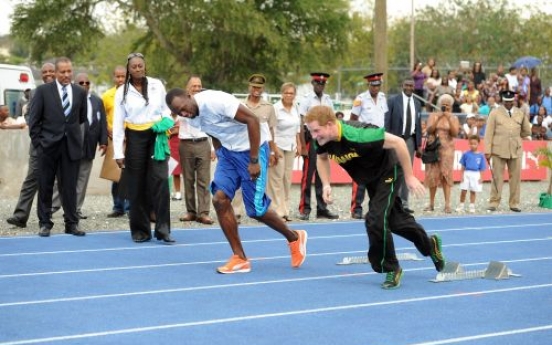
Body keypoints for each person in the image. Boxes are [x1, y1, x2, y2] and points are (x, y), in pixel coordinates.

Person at [165, 87, 308, 273]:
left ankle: (294, 237)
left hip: (253, 150)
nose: (184, 113)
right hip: (228, 154)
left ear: (189, 96)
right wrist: (220, 152)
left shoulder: (216, 101)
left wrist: (254, 160)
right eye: (179, 112)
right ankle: (240, 258)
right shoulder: (189, 117)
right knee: (219, 199)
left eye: (184, 107)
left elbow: (252, 120)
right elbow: (213, 131)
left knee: (255, 210)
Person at [304, 105, 445, 289]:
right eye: (311, 132)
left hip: (389, 170)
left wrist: (410, 176)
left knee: (375, 219)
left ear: (330, 124)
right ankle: (430, 245)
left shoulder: (360, 134)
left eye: (316, 131)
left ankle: (391, 268)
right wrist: (326, 184)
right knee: (395, 222)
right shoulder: (323, 140)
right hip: (371, 179)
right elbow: (322, 159)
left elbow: (399, 143)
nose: (314, 136)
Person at [113, 52, 174, 243]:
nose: (138, 69)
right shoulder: (121, 91)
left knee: (161, 181)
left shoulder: (157, 85)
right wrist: (118, 151)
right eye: (134, 66)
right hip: (135, 137)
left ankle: (163, 230)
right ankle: (140, 230)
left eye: (140, 65)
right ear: (129, 70)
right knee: (136, 185)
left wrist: (166, 121)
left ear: (145, 66)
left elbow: (166, 109)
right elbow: (117, 123)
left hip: (156, 136)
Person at [28, 57, 87, 237]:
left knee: (69, 187)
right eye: (63, 72)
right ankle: (45, 223)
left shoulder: (79, 92)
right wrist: (40, 144)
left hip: (71, 147)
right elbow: (34, 121)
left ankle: (71, 223)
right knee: (45, 185)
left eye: (69, 71)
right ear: (55, 73)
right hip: (48, 147)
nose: (67, 75)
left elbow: (81, 118)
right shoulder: (43, 91)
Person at [51, 73, 108, 219]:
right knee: (63, 178)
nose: (84, 85)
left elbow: (102, 122)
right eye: (80, 83)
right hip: (69, 146)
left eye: (87, 83)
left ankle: (75, 210)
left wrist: (103, 141)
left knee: (82, 178)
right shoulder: (69, 99)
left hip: (89, 146)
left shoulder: (97, 100)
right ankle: (52, 207)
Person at [6, 63, 55, 229]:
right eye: (45, 72)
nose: (48, 74)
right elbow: (29, 117)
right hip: (39, 146)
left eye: (51, 71)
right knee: (31, 181)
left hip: (59, 146)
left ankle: (61, 213)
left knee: (63, 182)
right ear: (41, 75)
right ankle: (20, 216)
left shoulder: (65, 92)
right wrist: (39, 139)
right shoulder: (34, 93)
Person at [232, 73, 279, 222]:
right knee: (240, 179)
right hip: (242, 147)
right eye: (254, 87)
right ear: (249, 87)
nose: (256, 90)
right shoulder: (240, 105)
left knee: (260, 179)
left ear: (263, 88)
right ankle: (236, 211)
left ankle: (258, 209)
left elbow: (271, 130)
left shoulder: (268, 107)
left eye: (259, 87)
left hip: (261, 148)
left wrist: (272, 150)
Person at [297, 72, 338, 221]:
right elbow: (301, 124)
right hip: (311, 139)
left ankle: (322, 209)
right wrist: (302, 145)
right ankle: (305, 208)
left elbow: (332, 120)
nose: (320, 86)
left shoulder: (328, 100)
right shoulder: (307, 99)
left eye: (322, 84)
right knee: (308, 176)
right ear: (313, 84)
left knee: (322, 175)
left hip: (325, 140)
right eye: (317, 83)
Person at [484, 90, 532, 212]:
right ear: (502, 101)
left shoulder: (520, 113)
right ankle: (494, 202)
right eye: (506, 102)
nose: (509, 104)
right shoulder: (494, 113)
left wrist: (515, 136)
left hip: (515, 150)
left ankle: (514, 203)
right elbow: (488, 133)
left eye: (511, 102)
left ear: (514, 101)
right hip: (498, 150)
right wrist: (487, 151)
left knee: (515, 178)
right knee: (497, 178)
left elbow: (527, 131)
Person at [348, 73, 388, 219]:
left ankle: (373, 208)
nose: (376, 88)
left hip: (379, 139)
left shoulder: (383, 98)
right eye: (373, 85)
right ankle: (356, 208)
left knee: (377, 175)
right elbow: (353, 119)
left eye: (378, 85)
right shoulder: (360, 99)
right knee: (360, 174)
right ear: (368, 85)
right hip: (364, 139)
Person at [177, 75, 215, 225]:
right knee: (188, 180)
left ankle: (204, 213)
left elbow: (212, 126)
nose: (197, 88)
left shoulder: (207, 104)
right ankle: (191, 212)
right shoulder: (180, 102)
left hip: (203, 143)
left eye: (199, 86)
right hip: (185, 144)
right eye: (194, 86)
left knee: (204, 180)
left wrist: (213, 147)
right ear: (188, 88)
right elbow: (173, 119)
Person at [384, 78, 422, 214]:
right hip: (395, 139)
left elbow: (418, 125)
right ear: (402, 86)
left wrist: (418, 145)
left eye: (411, 85)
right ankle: (393, 201)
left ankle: (404, 203)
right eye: (407, 85)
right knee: (394, 170)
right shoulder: (393, 101)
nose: (409, 87)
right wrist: (386, 140)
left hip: (410, 140)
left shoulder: (417, 103)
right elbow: (387, 121)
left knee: (408, 171)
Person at [267, 82, 301, 222]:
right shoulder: (275, 108)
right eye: (286, 92)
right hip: (278, 144)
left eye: (291, 93)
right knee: (276, 178)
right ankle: (275, 210)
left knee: (287, 179)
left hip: (291, 145)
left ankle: (285, 210)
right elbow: (271, 129)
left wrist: (299, 144)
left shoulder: (296, 108)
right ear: (281, 94)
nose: (288, 95)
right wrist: (273, 149)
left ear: (294, 95)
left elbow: (297, 128)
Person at [424, 94, 460, 213]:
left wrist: (448, 117)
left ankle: (447, 204)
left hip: (447, 149)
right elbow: (429, 130)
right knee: (433, 175)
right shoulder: (433, 115)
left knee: (446, 175)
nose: (445, 107)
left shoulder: (453, 117)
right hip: (434, 148)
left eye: (447, 105)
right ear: (439, 105)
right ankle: (431, 203)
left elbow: (455, 133)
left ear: (451, 106)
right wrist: (438, 117)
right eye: (443, 105)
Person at [101, 65, 130, 218]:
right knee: (116, 176)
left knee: (131, 174)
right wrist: (107, 129)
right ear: (113, 77)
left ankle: (130, 207)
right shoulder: (107, 96)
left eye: (122, 76)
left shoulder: (133, 94)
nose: (120, 79)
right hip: (115, 140)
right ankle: (118, 207)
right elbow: (101, 116)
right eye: (117, 76)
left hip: (132, 139)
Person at [456, 135, 487, 213]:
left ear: (478, 144)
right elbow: (463, 166)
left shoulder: (481, 155)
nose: (472, 145)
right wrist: (462, 176)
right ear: (469, 144)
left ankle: (472, 206)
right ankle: (461, 205)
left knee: (473, 191)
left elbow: (482, 168)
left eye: (474, 143)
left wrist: (481, 177)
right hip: (466, 173)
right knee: (463, 190)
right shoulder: (466, 154)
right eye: (471, 143)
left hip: (476, 174)